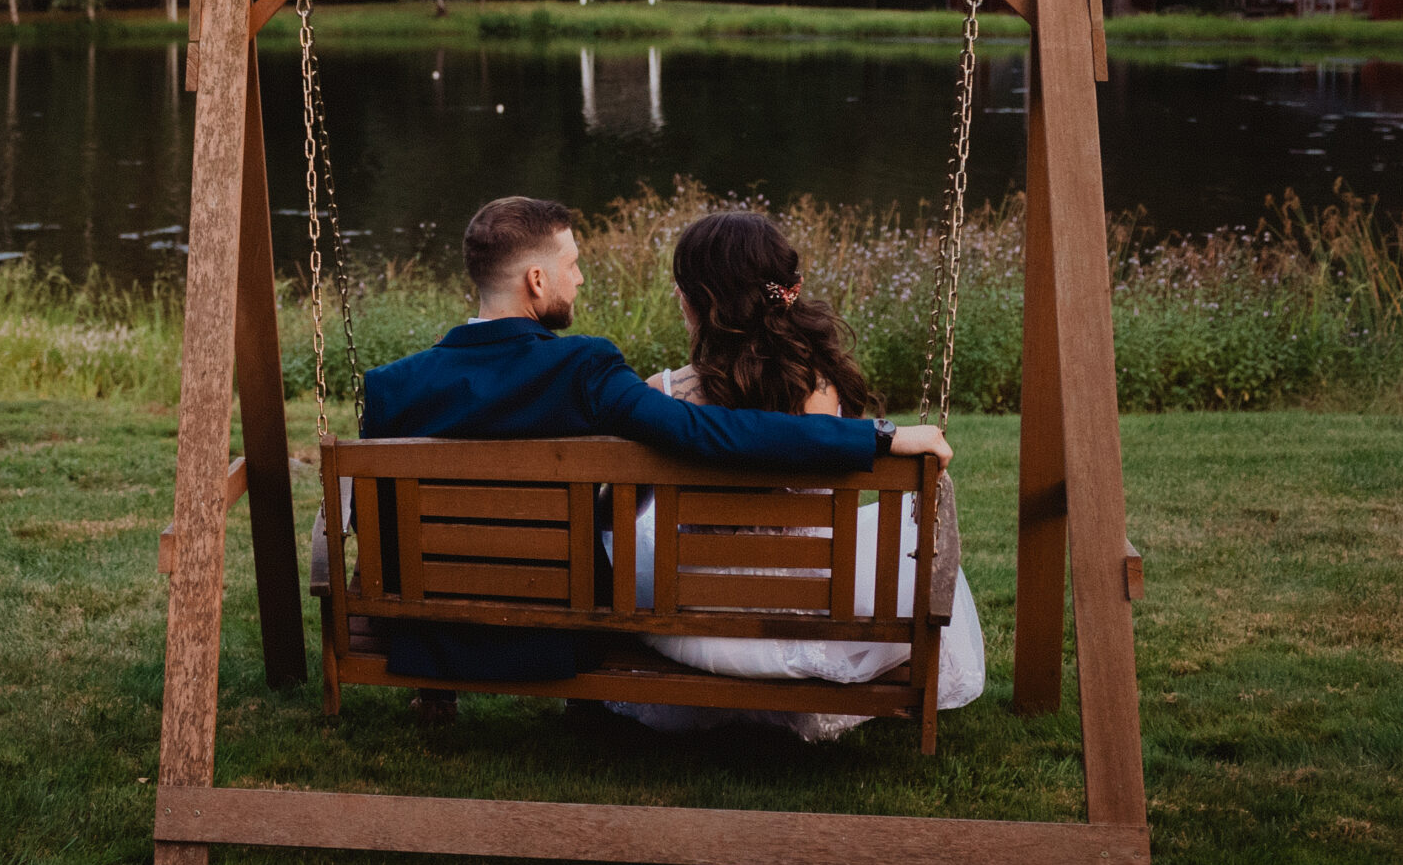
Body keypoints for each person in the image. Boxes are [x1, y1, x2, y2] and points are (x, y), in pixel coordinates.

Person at [357, 197, 950, 714]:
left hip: (428, 631)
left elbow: (371, 520)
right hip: (554, 637)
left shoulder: (390, 387)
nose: (581, 279)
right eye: (574, 265)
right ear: (536, 281)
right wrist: (874, 436)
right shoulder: (583, 368)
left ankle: (437, 691)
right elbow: (710, 433)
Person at [603, 209, 988, 742]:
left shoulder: (661, 395)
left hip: (692, 617)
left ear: (690, 300)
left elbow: (631, 507)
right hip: (810, 615)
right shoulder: (821, 392)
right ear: (786, 294)